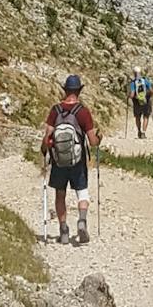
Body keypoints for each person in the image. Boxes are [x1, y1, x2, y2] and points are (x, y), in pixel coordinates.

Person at [42, 74, 101, 245]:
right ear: (79, 91)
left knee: (60, 195)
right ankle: (82, 221)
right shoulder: (83, 112)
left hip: (58, 160)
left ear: (65, 90)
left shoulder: (55, 110)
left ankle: (64, 231)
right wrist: (99, 138)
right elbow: (92, 142)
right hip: (78, 160)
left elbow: (47, 137)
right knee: (82, 193)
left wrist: (45, 151)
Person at [127, 67, 153, 140]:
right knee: (146, 116)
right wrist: (149, 96)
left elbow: (132, 94)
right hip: (146, 101)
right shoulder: (145, 80)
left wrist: (129, 96)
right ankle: (143, 132)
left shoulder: (133, 83)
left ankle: (139, 131)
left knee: (137, 117)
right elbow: (151, 91)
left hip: (137, 102)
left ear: (134, 73)